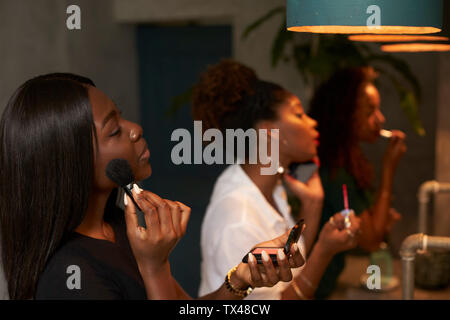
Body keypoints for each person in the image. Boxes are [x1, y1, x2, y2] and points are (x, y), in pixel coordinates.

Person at [0, 73, 305, 300]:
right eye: (115, 130)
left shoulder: (117, 226)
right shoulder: (69, 277)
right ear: (71, 161)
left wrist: (241, 277)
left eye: (121, 116)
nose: (135, 130)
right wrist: (155, 267)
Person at [193, 60, 362, 300]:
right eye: (299, 114)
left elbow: (291, 262)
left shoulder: (267, 185)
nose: (312, 122)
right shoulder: (238, 219)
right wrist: (324, 251)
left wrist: (313, 204)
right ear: (268, 132)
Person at [308, 66, 406, 299]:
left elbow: (373, 227)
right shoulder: (335, 173)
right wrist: (389, 169)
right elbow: (371, 240)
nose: (380, 119)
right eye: (371, 111)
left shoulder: (346, 161)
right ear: (345, 113)